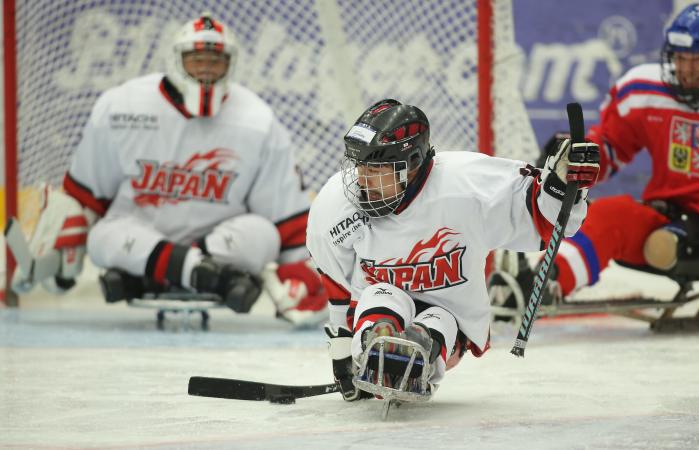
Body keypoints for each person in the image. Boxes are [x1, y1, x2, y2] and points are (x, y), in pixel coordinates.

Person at [12, 13, 326, 324]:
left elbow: (287, 218)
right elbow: (87, 197)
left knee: (263, 236)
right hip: (139, 235)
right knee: (101, 238)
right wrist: (62, 258)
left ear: (231, 65)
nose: (206, 68)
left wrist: (301, 274)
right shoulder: (122, 106)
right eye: (196, 59)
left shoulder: (257, 119)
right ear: (176, 60)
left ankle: (158, 276)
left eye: (215, 61)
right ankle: (210, 277)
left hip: (212, 244)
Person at [490, 3, 699, 316]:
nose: (687, 71)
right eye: (680, 59)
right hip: (666, 217)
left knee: (660, 246)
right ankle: (546, 283)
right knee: (607, 217)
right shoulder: (643, 89)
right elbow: (609, 148)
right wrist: (577, 158)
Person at [306, 98, 600, 401]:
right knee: (380, 296)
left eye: (377, 169)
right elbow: (336, 282)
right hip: (377, 300)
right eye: (361, 167)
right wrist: (343, 356)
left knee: (439, 321)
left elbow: (545, 221)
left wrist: (563, 187)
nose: (363, 182)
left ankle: (421, 346)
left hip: (452, 318)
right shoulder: (338, 204)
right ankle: (378, 339)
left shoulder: (467, 186)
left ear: (412, 165)